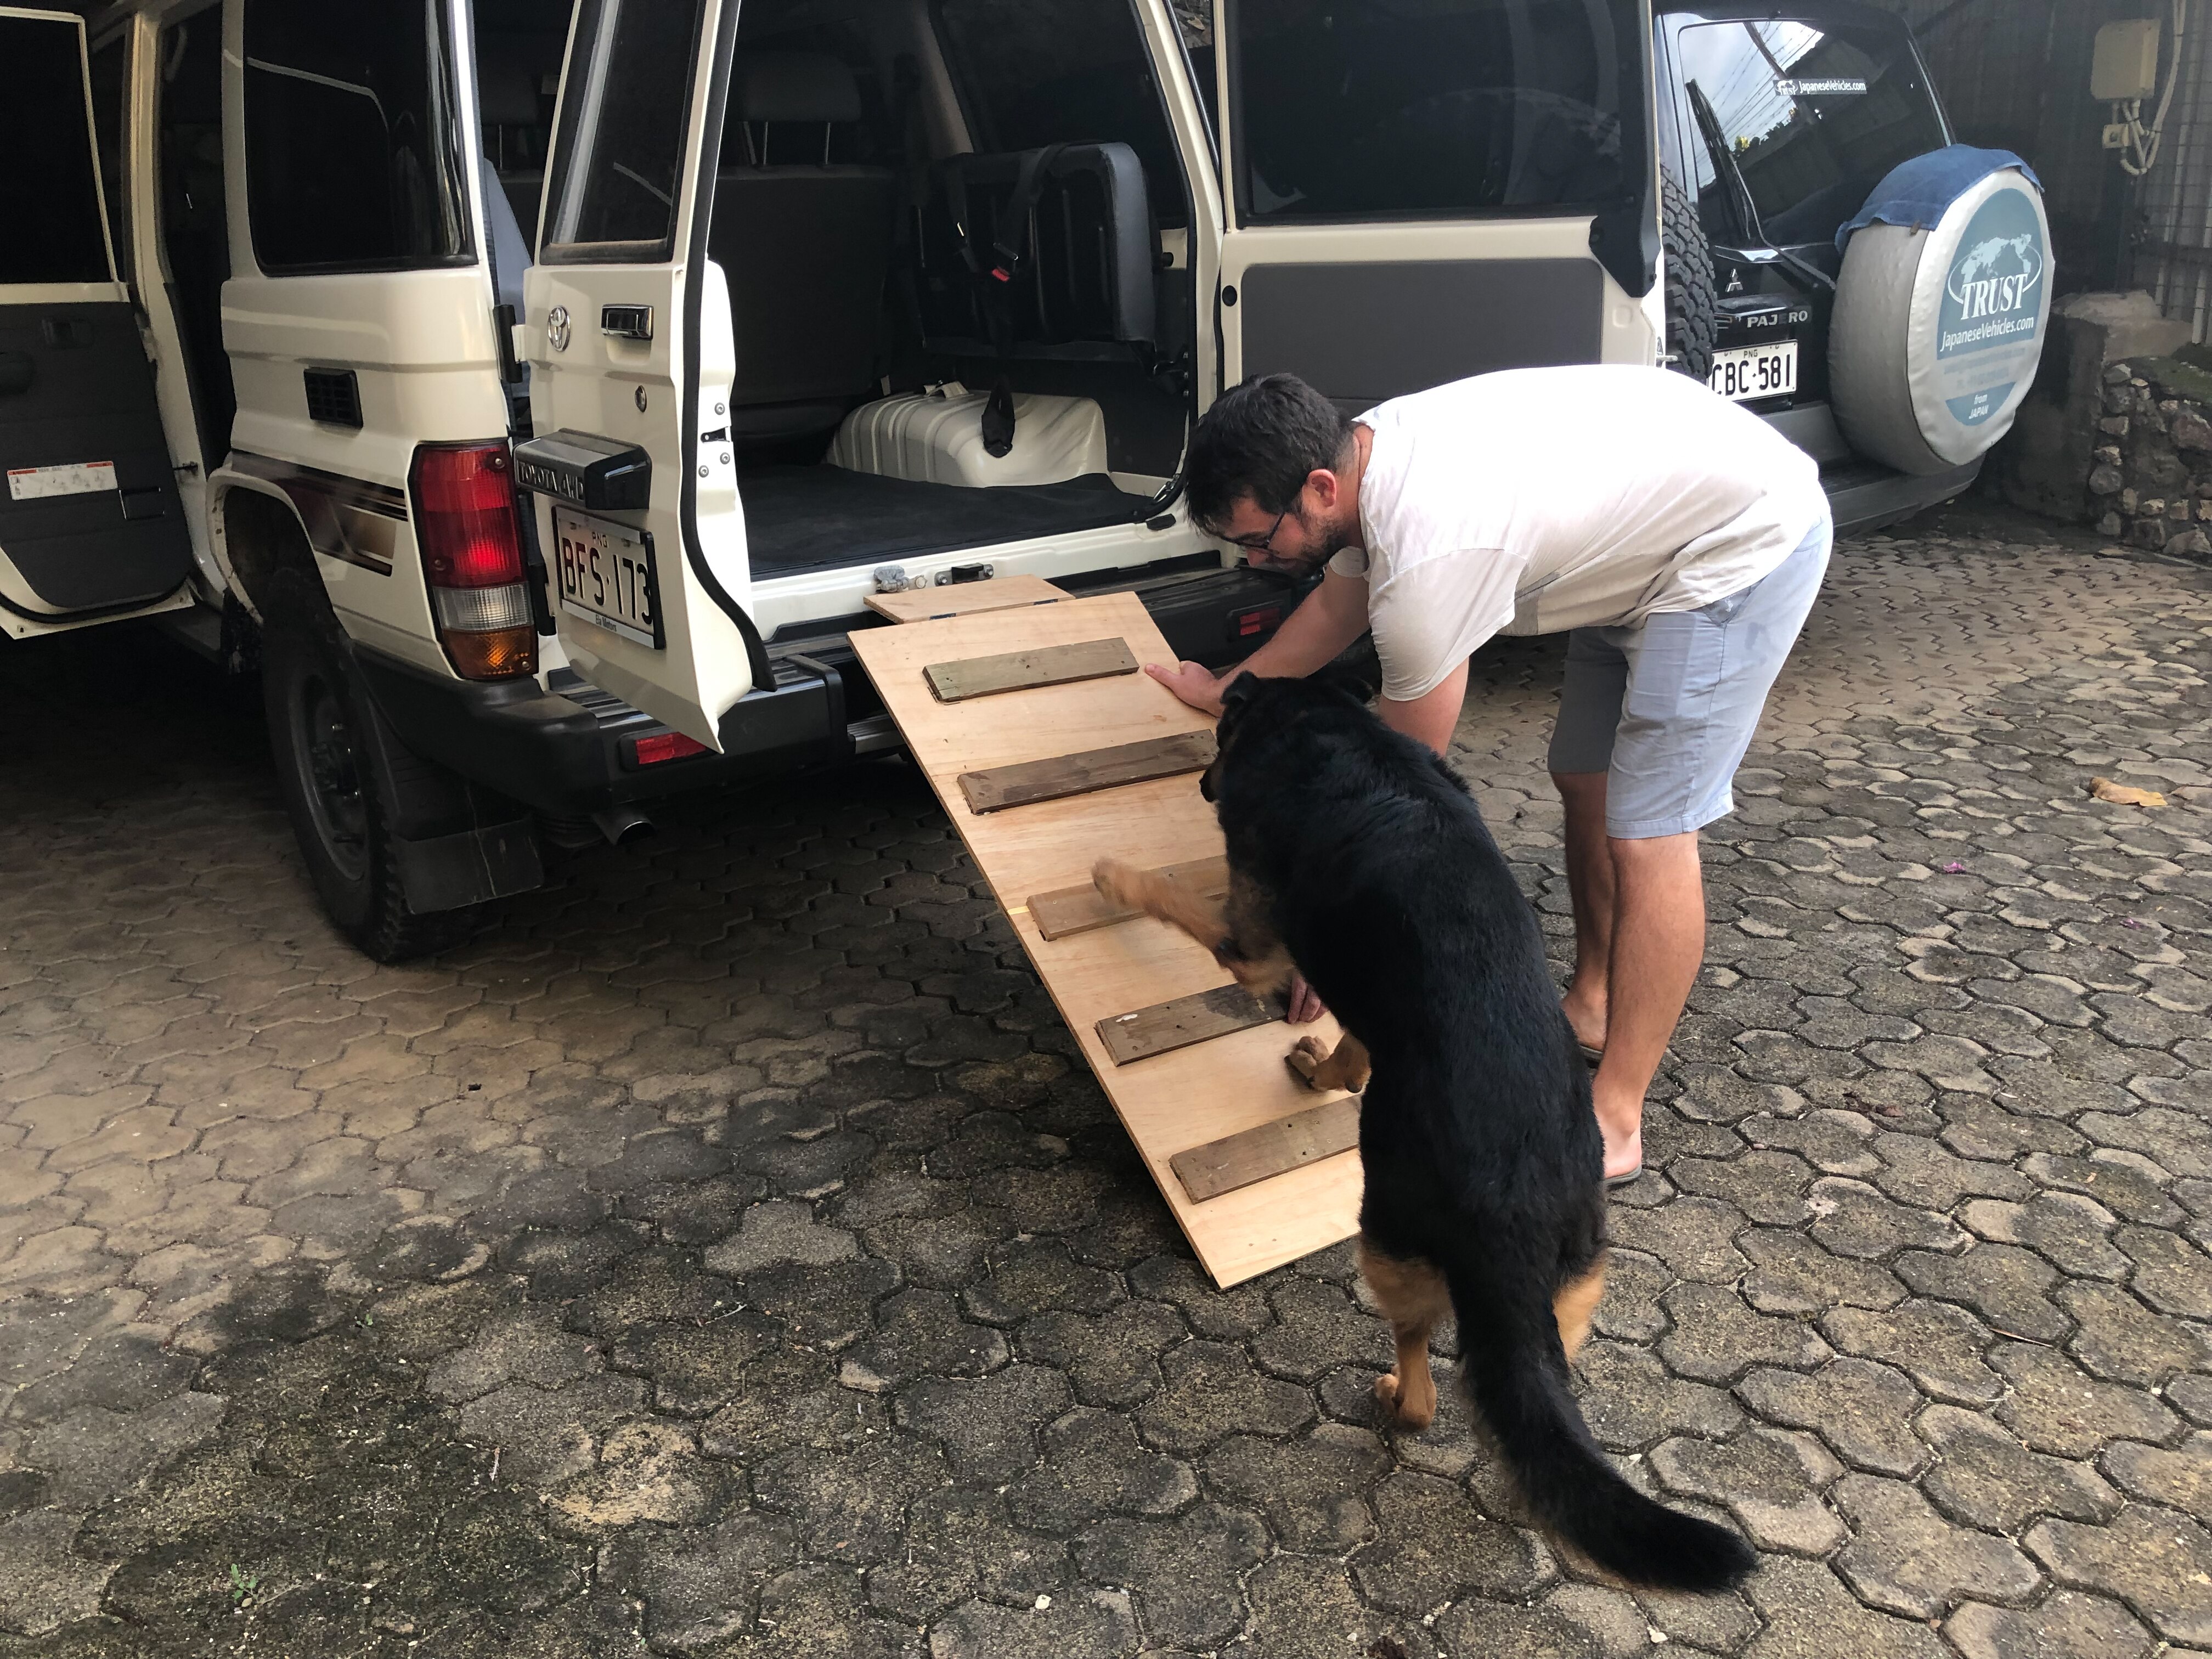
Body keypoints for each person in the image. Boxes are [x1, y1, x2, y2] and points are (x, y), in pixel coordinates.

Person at [1149, 366, 1832, 1184]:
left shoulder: (1431, 564)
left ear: (1321, 487)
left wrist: (1329, 952)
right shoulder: (1368, 456)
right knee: (1586, 778)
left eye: (1263, 540)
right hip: (1646, 542)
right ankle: (1592, 1003)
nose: (1260, 560)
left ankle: (1614, 1119)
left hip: (1738, 547)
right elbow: (1338, 604)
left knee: (1650, 831)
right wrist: (1228, 689)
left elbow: (1398, 818)